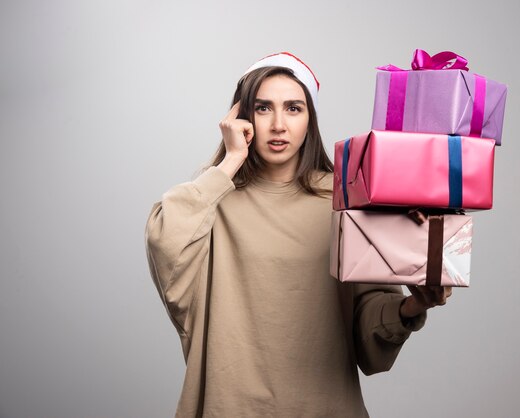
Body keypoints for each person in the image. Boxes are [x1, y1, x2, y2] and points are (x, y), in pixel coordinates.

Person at [145, 52, 452, 418]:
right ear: (240, 119)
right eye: (262, 108)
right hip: (230, 406)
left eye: (293, 108)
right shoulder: (213, 197)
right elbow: (165, 243)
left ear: (310, 120)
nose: (278, 125)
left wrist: (413, 305)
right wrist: (228, 163)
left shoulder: (345, 199)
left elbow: (368, 323)